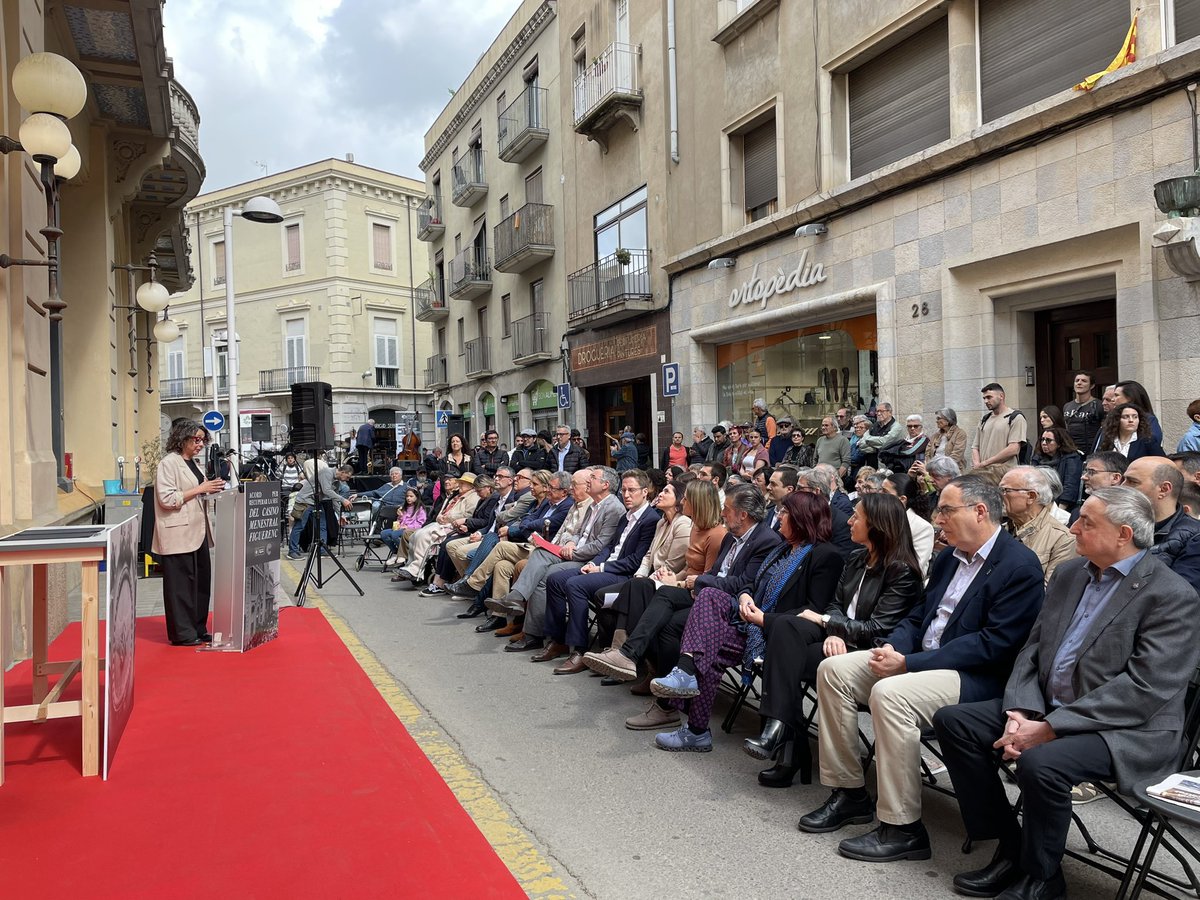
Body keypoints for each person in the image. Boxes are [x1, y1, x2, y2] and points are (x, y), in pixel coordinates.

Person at [933, 487, 1200, 900]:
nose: (1073, 527)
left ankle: (1043, 877)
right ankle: (1012, 845)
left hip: (1127, 728)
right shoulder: (1071, 573)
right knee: (956, 721)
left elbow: (1145, 690)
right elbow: (1033, 649)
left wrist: (1051, 727)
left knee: (1042, 763)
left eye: (1086, 523)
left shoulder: (1172, 595)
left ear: (1123, 534)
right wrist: (1022, 709)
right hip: (1049, 707)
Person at [797, 476, 1044, 864]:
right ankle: (850, 794)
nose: (937, 519)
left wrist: (909, 663)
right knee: (835, 670)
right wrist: (894, 646)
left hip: (974, 678)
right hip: (920, 659)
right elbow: (918, 616)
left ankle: (902, 828)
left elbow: (993, 645)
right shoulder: (948, 558)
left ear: (980, 511)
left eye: (946, 509)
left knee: (890, 694)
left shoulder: (1018, 565)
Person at [744, 494, 924, 786]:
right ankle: (782, 734)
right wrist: (833, 627)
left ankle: (786, 743)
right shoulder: (855, 558)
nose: (849, 521)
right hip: (836, 637)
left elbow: (878, 627)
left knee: (786, 646)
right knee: (786, 627)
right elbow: (834, 604)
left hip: (869, 649)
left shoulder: (902, 571)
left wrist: (832, 626)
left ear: (877, 525)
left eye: (856, 517)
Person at [648, 491, 845, 752]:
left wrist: (765, 618)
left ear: (801, 518)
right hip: (750, 620)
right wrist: (744, 596)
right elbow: (752, 583)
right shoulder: (782, 549)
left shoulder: (825, 555)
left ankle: (695, 724)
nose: (778, 516)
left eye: (784, 513)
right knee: (709, 604)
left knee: (708, 634)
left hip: (776, 635)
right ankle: (688, 686)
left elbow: (813, 610)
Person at [582, 485, 783, 732]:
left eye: (728, 509)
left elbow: (744, 584)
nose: (723, 513)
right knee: (659, 592)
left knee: (671, 625)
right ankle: (629, 655)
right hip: (706, 593)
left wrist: (698, 581)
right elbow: (716, 571)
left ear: (743, 514)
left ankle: (666, 705)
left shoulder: (766, 541)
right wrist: (691, 581)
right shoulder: (732, 536)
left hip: (725, 606)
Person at [538, 470, 662, 673]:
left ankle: (579, 649)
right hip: (606, 567)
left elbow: (635, 560)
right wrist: (593, 564)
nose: (626, 495)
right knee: (555, 579)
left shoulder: (650, 519)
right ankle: (558, 639)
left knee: (575, 585)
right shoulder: (626, 516)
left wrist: (601, 567)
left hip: (623, 574)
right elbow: (608, 547)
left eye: (632, 490)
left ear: (645, 492)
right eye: (623, 490)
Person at [493, 467, 626, 652]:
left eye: (592, 479)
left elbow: (601, 545)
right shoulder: (595, 504)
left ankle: (539, 633)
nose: (588, 483)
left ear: (605, 485)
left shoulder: (613, 508)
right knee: (539, 555)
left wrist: (572, 552)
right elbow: (579, 533)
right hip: (573, 551)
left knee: (547, 575)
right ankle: (522, 610)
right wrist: (571, 543)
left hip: (589, 559)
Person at [594, 478, 726, 653]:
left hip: (692, 590)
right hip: (671, 580)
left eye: (686, 499)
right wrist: (646, 575)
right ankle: (619, 651)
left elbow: (705, 577)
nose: (683, 501)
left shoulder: (698, 530)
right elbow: (674, 563)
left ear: (696, 503)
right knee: (618, 592)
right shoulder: (686, 526)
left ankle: (624, 652)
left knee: (636, 590)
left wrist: (675, 582)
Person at [153, 419, 225, 646]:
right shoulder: (168, 463)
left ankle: (198, 627)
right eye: (197, 440)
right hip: (178, 532)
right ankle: (182, 633)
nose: (201, 444)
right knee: (181, 585)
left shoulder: (194, 463)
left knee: (201, 582)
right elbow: (166, 499)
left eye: (203, 440)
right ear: (182, 438)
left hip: (199, 531)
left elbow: (196, 494)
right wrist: (201, 489)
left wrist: (211, 490)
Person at [1119, 456, 1200, 591]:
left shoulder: (1194, 538)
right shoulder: (1116, 524)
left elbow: (1181, 599)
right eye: (1123, 480)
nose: (1122, 487)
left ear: (1164, 489)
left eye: (1132, 482)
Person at [999, 466, 1078, 585]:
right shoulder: (1000, 530)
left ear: (1031, 496)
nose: (1000, 495)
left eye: (1006, 490)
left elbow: (1050, 592)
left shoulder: (1063, 539)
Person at [880, 472, 934, 577]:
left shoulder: (922, 528)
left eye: (885, 492)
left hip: (902, 585)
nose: (879, 496)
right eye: (880, 490)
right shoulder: (877, 520)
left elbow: (915, 568)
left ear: (902, 499)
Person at [972, 383, 1028, 484]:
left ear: (1001, 396)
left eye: (989, 397)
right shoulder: (984, 419)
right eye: (984, 398)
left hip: (1004, 475)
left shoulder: (1015, 417)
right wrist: (977, 465)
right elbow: (975, 447)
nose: (986, 401)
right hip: (983, 474)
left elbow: (1014, 449)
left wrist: (985, 463)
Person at [1030, 425, 1083, 513]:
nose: (1043, 443)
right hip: (1040, 503)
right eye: (1042, 439)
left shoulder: (1072, 459)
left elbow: (1070, 487)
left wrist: (1058, 511)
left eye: (1048, 440)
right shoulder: (1037, 458)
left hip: (1062, 507)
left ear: (1059, 443)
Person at [1098, 402, 1164, 461]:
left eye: (1135, 417)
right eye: (1126, 417)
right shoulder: (1108, 439)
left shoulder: (1148, 440)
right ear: (1117, 420)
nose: (1131, 420)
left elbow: (1162, 462)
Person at [379, 487, 427, 566]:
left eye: (411, 496)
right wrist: (400, 518)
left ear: (417, 497)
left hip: (411, 529)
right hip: (400, 528)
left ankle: (402, 554)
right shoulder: (404, 508)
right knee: (384, 533)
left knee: (395, 535)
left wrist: (407, 527)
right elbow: (401, 520)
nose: (408, 498)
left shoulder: (420, 509)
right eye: (407, 496)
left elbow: (420, 523)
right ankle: (396, 552)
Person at [1113, 380, 1164, 446]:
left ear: (1130, 398)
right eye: (1125, 417)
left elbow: (1153, 443)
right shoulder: (1113, 419)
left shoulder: (1149, 420)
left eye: (1116, 395)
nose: (1113, 399)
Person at [1063, 372, 1104, 453]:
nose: (1079, 383)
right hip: (1071, 452)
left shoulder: (1099, 405)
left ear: (1092, 386)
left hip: (1091, 451)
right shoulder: (1067, 406)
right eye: (1077, 380)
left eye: (1084, 381)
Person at [855, 402, 904, 470]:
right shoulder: (875, 425)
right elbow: (861, 444)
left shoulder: (896, 427)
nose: (878, 414)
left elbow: (884, 442)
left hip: (887, 467)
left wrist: (868, 440)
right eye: (877, 411)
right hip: (871, 466)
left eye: (881, 411)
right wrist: (877, 448)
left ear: (889, 412)